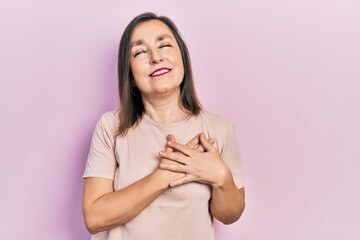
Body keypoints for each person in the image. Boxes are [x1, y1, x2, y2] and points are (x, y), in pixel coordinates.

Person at [82, 12, 245, 240]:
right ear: (130, 74)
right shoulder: (111, 127)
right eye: (140, 52)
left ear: (183, 59)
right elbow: (94, 218)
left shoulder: (219, 130)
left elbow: (229, 215)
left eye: (165, 45)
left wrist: (221, 177)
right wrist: (163, 175)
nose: (155, 58)